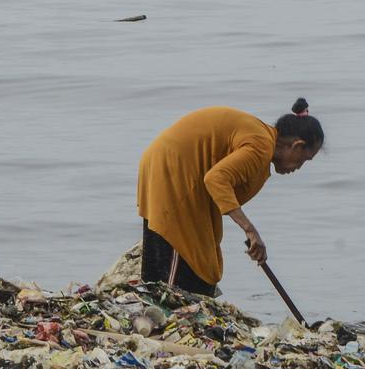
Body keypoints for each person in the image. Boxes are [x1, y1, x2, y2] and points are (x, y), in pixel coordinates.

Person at [135, 98, 324, 294]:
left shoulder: (262, 139)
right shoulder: (261, 147)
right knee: (179, 257)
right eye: (304, 160)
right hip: (174, 173)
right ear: (297, 146)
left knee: (201, 261)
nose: (299, 167)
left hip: (169, 167)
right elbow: (216, 180)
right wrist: (250, 230)